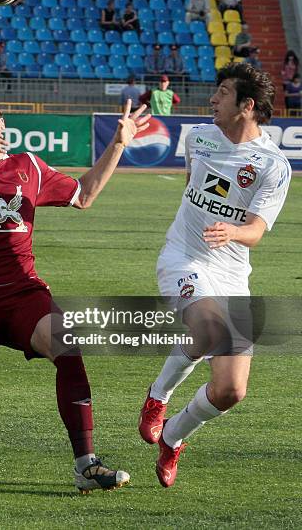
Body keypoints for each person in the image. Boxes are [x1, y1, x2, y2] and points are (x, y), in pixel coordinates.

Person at [0, 91, 150, 493]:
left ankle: (86, 466)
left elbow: (85, 195)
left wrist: (119, 143)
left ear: (2, 122)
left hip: (23, 293)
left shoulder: (29, 167)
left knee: (67, 345)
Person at [138, 62, 291, 489]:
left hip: (232, 274)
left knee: (230, 390)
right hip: (184, 258)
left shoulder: (273, 166)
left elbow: (257, 231)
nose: (213, 99)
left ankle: (173, 436)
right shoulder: (199, 137)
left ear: (247, 105)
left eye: (222, 93)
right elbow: (194, 186)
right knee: (206, 327)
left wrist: (234, 231)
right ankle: (158, 396)